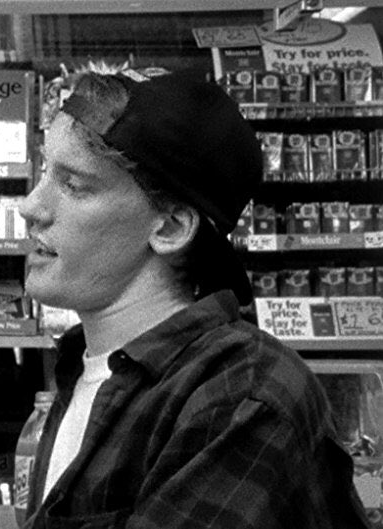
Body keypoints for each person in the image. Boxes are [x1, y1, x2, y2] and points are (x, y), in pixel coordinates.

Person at [18, 68, 370, 528]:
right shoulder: (87, 368)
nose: (30, 207)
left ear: (169, 227)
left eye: (74, 185)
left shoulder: (241, 397)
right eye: (46, 171)